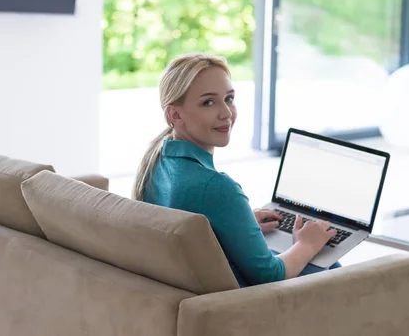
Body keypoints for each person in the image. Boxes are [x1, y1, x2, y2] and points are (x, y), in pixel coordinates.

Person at [133, 53, 340, 287]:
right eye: (208, 102)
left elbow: (194, 232)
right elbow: (271, 275)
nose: (226, 113)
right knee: (328, 262)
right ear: (175, 114)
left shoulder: (158, 162)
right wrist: (307, 244)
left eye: (229, 98)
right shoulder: (217, 187)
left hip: (196, 289)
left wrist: (238, 225)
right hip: (245, 302)